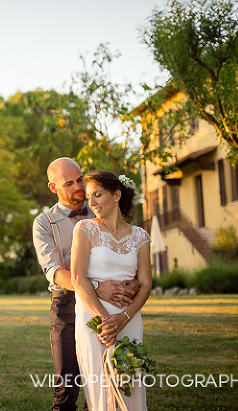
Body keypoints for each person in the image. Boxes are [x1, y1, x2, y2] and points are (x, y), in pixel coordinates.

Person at [33, 158, 138, 411]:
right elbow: (55, 272)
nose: (78, 187)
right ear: (53, 187)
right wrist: (94, 287)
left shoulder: (102, 210)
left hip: (110, 302)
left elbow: (128, 255)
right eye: (68, 183)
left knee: (106, 382)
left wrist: (133, 285)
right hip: (66, 306)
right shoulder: (44, 223)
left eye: (80, 179)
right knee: (67, 387)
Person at [71, 170, 152, 411]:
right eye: (89, 196)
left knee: (130, 386)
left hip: (130, 320)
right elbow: (77, 277)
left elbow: (145, 284)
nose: (92, 202)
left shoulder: (141, 236)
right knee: (101, 391)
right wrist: (106, 321)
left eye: (98, 194)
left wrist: (124, 318)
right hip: (94, 319)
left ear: (116, 195)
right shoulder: (84, 229)